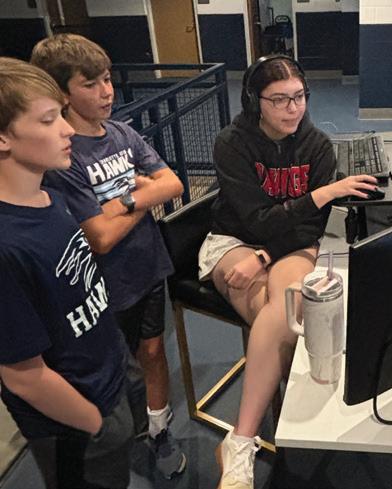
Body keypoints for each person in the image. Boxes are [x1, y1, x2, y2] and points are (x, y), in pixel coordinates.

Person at [198, 54, 378, 489]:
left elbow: (309, 228)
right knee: (289, 317)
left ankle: (239, 441)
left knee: (283, 310)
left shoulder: (316, 145)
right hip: (234, 242)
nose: (292, 108)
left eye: (299, 96)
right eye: (278, 99)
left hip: (289, 245)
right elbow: (257, 221)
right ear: (254, 101)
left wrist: (265, 257)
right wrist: (321, 195)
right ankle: (269, 428)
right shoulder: (232, 144)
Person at [31, 34, 187, 479]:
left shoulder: (122, 133)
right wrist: (141, 194)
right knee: (118, 367)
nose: (106, 92)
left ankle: (158, 428)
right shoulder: (63, 158)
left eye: (107, 79)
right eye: (90, 84)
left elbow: (173, 184)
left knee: (153, 351)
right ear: (62, 93)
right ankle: (123, 434)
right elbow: (99, 238)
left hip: (148, 265)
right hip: (101, 286)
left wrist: (125, 203)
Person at [0, 57, 134, 489]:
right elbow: (23, 376)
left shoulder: (50, 198)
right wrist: (95, 423)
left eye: (61, 114)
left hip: (106, 377)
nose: (68, 130)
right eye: (48, 120)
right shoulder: (6, 245)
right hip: (73, 423)